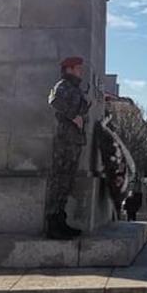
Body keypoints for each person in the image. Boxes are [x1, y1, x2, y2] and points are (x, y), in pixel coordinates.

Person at [46, 56, 90, 239]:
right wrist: (74, 116)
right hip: (65, 140)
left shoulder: (75, 88)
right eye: (78, 68)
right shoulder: (63, 85)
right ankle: (53, 222)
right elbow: (54, 101)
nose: (81, 70)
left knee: (67, 182)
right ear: (69, 69)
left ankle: (61, 220)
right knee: (59, 180)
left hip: (74, 140)